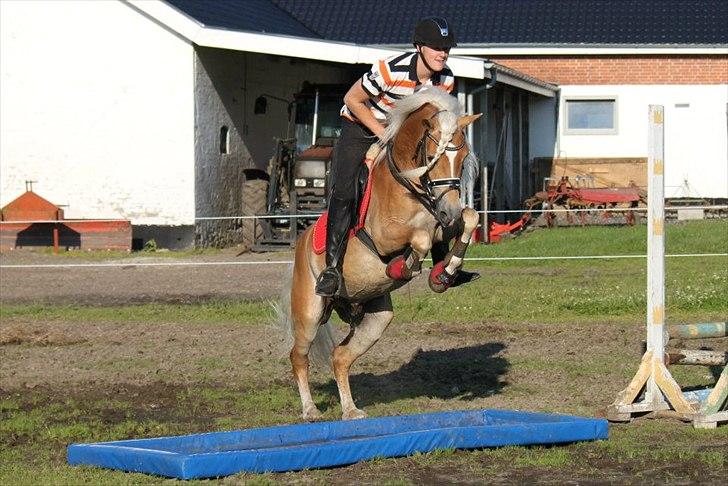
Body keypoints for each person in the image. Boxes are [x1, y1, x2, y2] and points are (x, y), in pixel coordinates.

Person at [315, 16, 478, 297]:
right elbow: (352, 100)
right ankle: (331, 267)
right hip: (362, 125)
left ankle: (443, 263)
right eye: (437, 47)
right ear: (419, 47)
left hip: (404, 133)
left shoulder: (446, 78)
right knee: (344, 188)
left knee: (433, 181)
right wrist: (382, 132)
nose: (443, 54)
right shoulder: (390, 70)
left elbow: (437, 120)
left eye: (447, 48)